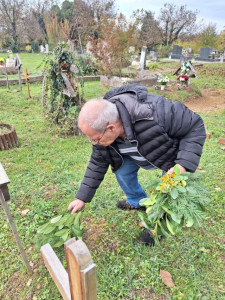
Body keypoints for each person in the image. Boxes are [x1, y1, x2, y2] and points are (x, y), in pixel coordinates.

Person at [68, 84, 206, 244]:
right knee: (122, 172)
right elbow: (97, 163)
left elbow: (194, 126)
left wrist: (182, 165)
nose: (94, 143)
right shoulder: (103, 132)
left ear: (111, 128)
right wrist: (81, 198)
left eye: (96, 138)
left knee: (169, 191)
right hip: (132, 154)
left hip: (165, 154)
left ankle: (159, 226)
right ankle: (136, 202)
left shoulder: (156, 111)